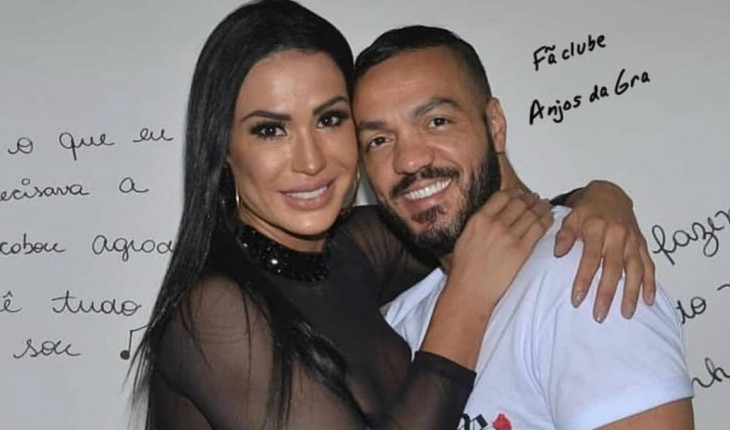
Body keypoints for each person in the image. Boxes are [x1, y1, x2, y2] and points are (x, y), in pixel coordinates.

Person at [131, 1, 657, 428]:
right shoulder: (215, 313)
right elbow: (474, 259)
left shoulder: (352, 251)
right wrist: (466, 300)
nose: (310, 160)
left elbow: (470, 209)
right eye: (271, 129)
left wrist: (599, 198)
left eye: (329, 119)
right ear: (223, 150)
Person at [352, 25, 694, 429]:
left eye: (437, 121)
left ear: (495, 125)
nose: (408, 160)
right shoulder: (399, 321)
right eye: (379, 140)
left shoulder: (582, 273)